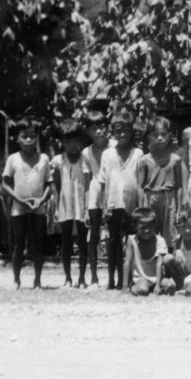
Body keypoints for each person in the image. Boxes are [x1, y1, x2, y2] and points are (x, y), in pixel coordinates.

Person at [1, 118, 52, 289]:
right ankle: (16, 280)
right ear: (17, 139)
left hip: (38, 207)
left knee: (39, 243)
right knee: (19, 243)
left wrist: (41, 200)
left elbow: (49, 185)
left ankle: (37, 280)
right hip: (19, 206)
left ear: (37, 138)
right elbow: (5, 184)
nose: (28, 140)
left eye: (32, 136)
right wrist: (19, 200)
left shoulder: (43, 158)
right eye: (24, 136)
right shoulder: (13, 159)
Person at [98, 111, 143, 290]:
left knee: (132, 242)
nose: (122, 134)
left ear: (131, 131)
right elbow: (103, 182)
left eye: (126, 130)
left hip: (132, 204)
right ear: (113, 132)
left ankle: (129, 279)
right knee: (114, 243)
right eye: (118, 131)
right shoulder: (107, 154)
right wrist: (103, 207)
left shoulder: (138, 153)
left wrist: (140, 206)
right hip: (113, 203)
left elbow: (140, 180)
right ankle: (112, 279)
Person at [51, 119, 89, 288]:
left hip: (82, 205)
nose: (72, 144)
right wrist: (57, 208)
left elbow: (88, 184)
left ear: (81, 140)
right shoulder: (58, 161)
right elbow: (56, 187)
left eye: (75, 140)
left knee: (82, 241)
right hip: (65, 205)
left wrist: (88, 208)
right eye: (68, 140)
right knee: (65, 242)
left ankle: (81, 277)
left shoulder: (86, 159)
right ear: (63, 142)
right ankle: (67, 277)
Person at [138, 117, 183, 248]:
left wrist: (179, 207)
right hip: (150, 197)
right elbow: (140, 186)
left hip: (169, 199)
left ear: (169, 136)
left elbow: (179, 186)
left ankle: (169, 264)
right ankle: (152, 265)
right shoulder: (144, 160)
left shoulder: (175, 160)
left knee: (170, 234)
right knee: (149, 232)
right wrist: (142, 207)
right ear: (149, 137)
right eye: (155, 135)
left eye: (163, 134)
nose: (159, 138)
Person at [82, 110, 111, 288]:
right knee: (93, 236)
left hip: (113, 192)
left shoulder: (115, 146)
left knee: (112, 236)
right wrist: (86, 207)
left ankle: (113, 276)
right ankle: (93, 277)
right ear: (88, 132)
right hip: (95, 194)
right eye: (94, 128)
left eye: (101, 127)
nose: (98, 132)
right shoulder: (86, 152)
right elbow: (86, 182)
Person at [123, 207, 176, 296]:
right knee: (143, 290)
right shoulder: (132, 240)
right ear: (135, 227)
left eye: (150, 227)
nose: (146, 230)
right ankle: (134, 287)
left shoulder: (159, 240)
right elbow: (127, 262)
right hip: (141, 278)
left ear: (154, 226)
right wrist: (124, 286)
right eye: (142, 227)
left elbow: (159, 264)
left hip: (157, 277)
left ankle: (155, 288)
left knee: (171, 286)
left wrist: (158, 285)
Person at [163, 208, 191, 296]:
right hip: (182, 276)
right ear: (179, 227)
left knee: (189, 282)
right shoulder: (179, 240)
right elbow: (171, 263)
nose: (187, 231)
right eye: (184, 227)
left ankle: (186, 287)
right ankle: (179, 286)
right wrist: (177, 251)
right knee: (167, 258)